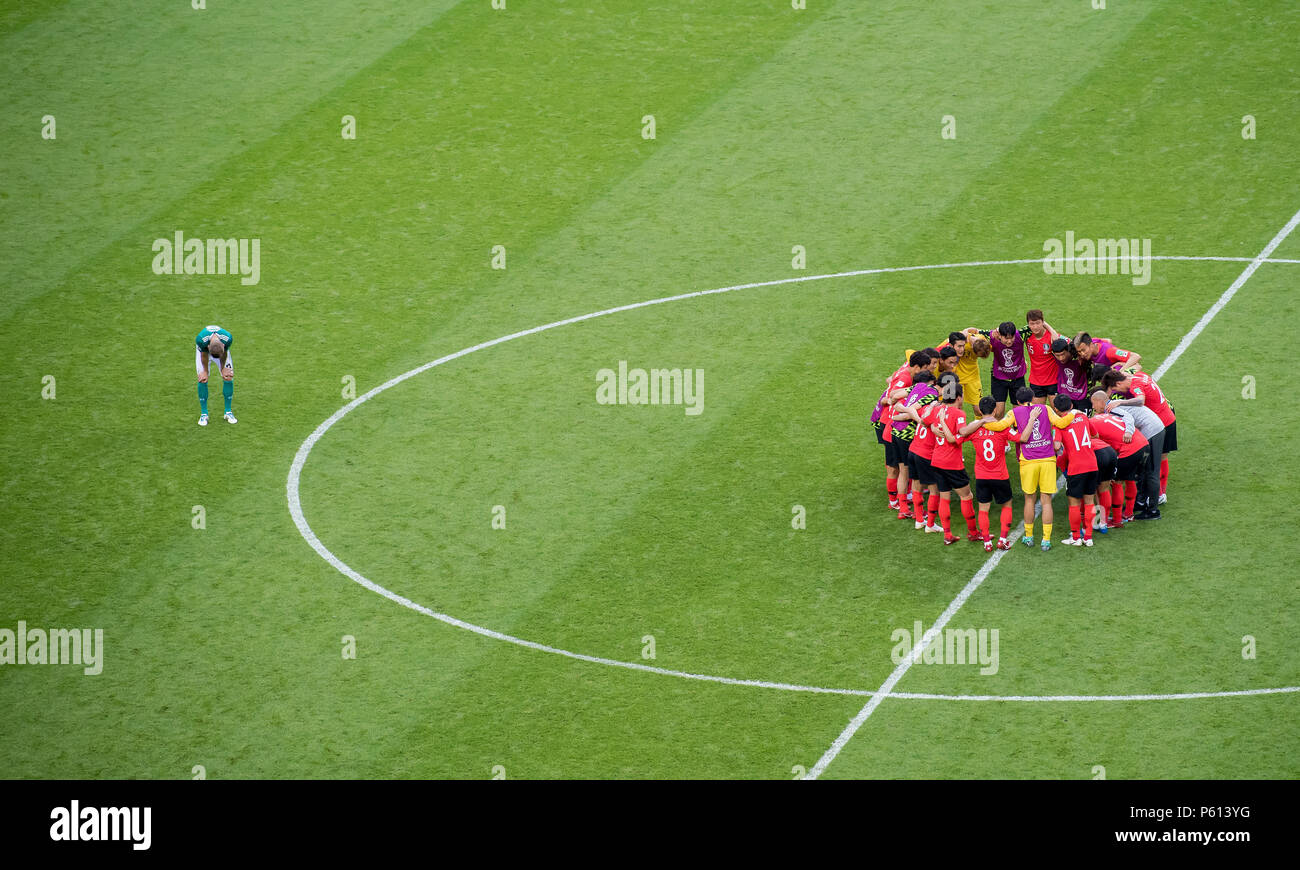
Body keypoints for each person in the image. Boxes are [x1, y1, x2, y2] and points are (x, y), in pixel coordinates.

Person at [1101, 369, 1177, 506]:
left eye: (1114, 389)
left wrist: (1120, 403)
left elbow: (1141, 400)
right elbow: (1136, 364)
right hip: (1165, 418)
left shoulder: (1135, 385)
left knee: (1153, 466)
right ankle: (1153, 496)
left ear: (1118, 383)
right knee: (1154, 463)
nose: (1117, 393)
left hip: (1160, 423)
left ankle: (1156, 500)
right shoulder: (1139, 375)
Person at [871, 351, 929, 509]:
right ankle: (894, 501)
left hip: (891, 423)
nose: (928, 371)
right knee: (895, 467)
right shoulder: (905, 379)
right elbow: (890, 397)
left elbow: (889, 381)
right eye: (925, 368)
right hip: (889, 424)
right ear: (916, 367)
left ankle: (903, 496)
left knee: (901, 466)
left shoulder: (907, 372)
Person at [1086, 390, 1150, 526]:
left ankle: (1116, 520)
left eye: (1093, 404)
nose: (1092, 407)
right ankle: (1129, 513)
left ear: (1100, 401)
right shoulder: (1112, 415)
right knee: (1130, 477)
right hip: (1144, 444)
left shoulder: (1092, 422)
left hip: (1130, 450)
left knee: (1116, 483)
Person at [961, 396, 1016, 552]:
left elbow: (958, 437)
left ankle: (986, 542)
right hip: (1000, 475)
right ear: (995, 410)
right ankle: (1003, 540)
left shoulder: (974, 428)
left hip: (982, 476)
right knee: (1007, 505)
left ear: (979, 410)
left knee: (983, 509)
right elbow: (1020, 438)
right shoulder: (1002, 427)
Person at [930, 382, 981, 546]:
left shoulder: (937, 409)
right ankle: (973, 533)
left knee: (944, 497)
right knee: (966, 496)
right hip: (952, 462)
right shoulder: (958, 413)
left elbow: (925, 421)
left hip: (936, 459)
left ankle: (947, 534)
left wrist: (933, 427)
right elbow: (961, 432)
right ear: (958, 397)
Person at [1051, 396, 1099, 546]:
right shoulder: (1082, 417)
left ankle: (1076, 537)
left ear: (1056, 410)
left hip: (1076, 467)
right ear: (1071, 405)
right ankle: (1089, 537)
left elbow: (1057, 446)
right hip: (1092, 464)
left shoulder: (1059, 425)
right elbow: (1095, 434)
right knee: (1089, 501)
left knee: (1074, 503)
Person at [978, 322, 1027, 419]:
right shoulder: (992, 336)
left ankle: (1017, 432)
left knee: (1019, 412)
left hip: (1018, 378)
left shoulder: (1021, 335)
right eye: (1006, 338)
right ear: (999, 335)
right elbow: (974, 331)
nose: (1009, 341)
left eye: (1011, 337)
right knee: (998, 412)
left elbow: (1036, 323)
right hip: (999, 379)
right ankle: (998, 433)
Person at [195, 324, 236, 425]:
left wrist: (223, 369)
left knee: (228, 376)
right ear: (208, 347)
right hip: (203, 352)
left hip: (220, 351)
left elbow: (224, 354)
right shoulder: (201, 340)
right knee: (202, 378)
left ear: (223, 345)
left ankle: (228, 412)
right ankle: (204, 414)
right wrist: (205, 371)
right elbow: (204, 356)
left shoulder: (227, 339)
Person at [1023, 310, 1062, 405]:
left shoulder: (1051, 336)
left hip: (1054, 380)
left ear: (1043, 322)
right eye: (1032, 324)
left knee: (1058, 411)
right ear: (1028, 324)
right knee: (1037, 412)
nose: (1035, 327)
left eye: (1038, 323)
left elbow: (1057, 342)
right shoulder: (1027, 336)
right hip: (1036, 381)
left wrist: (1047, 326)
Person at [1052, 337, 1091, 411]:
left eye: (1063, 354)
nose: (1061, 358)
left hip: (1082, 396)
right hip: (1064, 396)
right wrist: (1045, 324)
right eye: (1057, 355)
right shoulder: (1055, 355)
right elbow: (1055, 336)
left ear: (1068, 351)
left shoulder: (1080, 358)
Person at [1073, 333, 1141, 372]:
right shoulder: (1093, 341)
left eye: (1083, 350)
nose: (1082, 354)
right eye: (1079, 352)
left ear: (1091, 345)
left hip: (1126, 374)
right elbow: (1109, 340)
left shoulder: (1109, 352)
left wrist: (1120, 371)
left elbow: (1136, 356)